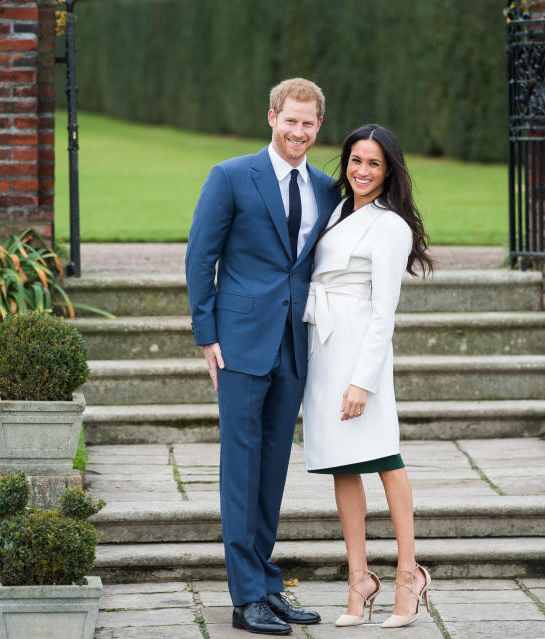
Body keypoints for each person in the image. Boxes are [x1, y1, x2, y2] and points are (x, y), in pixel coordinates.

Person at [185, 78, 341, 636]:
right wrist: (207, 334)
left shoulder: (327, 187)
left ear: (318, 127)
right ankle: (246, 594)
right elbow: (200, 256)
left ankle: (267, 584)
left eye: (309, 124)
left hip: (295, 346)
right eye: (290, 120)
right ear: (271, 117)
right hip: (240, 344)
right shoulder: (230, 177)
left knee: (273, 467)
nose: (299, 132)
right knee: (240, 467)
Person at [301, 123, 435, 628]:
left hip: (361, 349)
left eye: (374, 163)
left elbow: (384, 312)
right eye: (356, 160)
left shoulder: (390, 226)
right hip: (324, 347)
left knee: (385, 458)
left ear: (389, 170)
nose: (362, 170)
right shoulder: (337, 209)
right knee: (342, 463)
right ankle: (359, 580)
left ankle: (407, 574)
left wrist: (363, 381)